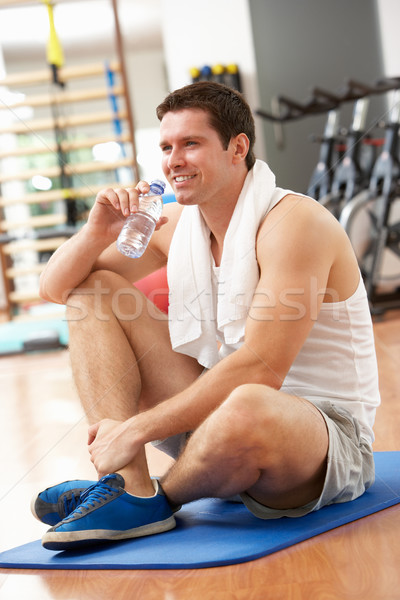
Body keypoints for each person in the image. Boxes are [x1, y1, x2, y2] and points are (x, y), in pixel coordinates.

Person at [32, 81, 380, 551]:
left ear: (238, 148)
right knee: (93, 290)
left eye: (190, 144)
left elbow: (262, 366)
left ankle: (156, 498)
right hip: (217, 423)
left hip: (318, 437)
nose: (174, 160)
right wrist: (96, 234)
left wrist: (134, 430)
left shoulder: (294, 223)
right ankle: (128, 487)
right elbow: (56, 288)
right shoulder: (174, 225)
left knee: (249, 400)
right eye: (166, 147)